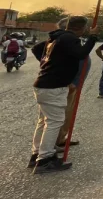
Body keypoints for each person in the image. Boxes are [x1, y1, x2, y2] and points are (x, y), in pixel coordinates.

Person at [28, 16, 99, 174]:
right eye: (87, 28)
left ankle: (37, 154)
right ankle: (45, 159)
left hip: (43, 84)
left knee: (44, 122)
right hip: (54, 86)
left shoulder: (57, 37)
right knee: (54, 122)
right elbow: (82, 54)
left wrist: (51, 63)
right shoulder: (68, 39)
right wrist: (93, 36)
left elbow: (38, 49)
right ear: (81, 28)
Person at [33, 18, 91, 150]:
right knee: (56, 120)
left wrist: (47, 63)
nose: (85, 30)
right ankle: (46, 155)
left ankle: (40, 150)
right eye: (84, 27)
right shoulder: (65, 39)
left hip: (58, 84)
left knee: (47, 120)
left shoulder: (59, 39)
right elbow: (81, 54)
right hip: (61, 85)